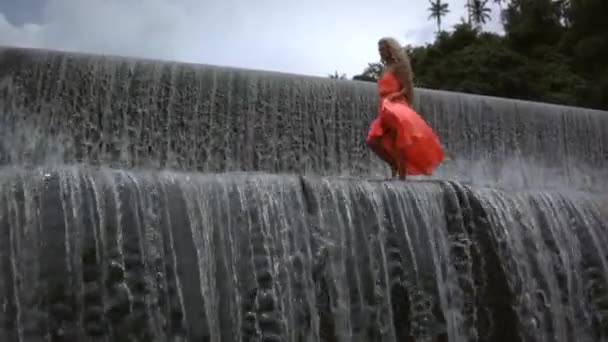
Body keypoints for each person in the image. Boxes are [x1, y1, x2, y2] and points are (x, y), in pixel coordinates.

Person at [366, 37, 444, 180]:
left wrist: (393, 96)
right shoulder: (384, 68)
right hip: (384, 105)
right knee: (372, 141)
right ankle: (394, 164)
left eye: (383, 49)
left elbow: (407, 88)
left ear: (390, 50)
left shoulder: (399, 66)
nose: (381, 52)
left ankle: (401, 177)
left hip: (396, 104)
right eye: (379, 50)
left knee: (399, 140)